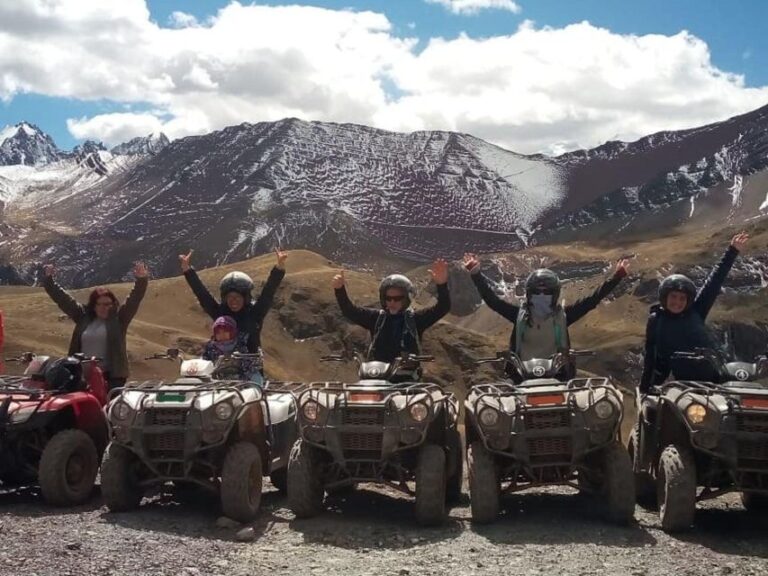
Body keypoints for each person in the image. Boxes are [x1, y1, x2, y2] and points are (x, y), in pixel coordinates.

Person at [463, 254, 630, 363]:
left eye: (547, 292)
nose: (541, 296)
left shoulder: (564, 316)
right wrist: (476, 274)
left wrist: (617, 277)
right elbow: (493, 301)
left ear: (555, 294)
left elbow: (593, 299)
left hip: (558, 375)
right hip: (522, 377)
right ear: (529, 294)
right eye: (537, 292)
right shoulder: (518, 315)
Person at [639, 232, 750, 392]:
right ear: (664, 297)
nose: (677, 302)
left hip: (718, 377)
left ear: (688, 300)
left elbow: (714, 282)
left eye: (682, 298)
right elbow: (652, 356)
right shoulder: (657, 320)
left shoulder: (696, 311)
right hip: (686, 385)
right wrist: (646, 389)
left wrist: (732, 251)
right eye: (673, 297)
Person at [180, 248, 286, 380]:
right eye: (230, 297)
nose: (233, 301)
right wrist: (187, 270)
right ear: (225, 298)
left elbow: (268, 292)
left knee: (253, 394)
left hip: (250, 371)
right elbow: (202, 294)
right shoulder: (220, 313)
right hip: (219, 372)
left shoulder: (255, 314)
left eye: (238, 297)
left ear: (245, 298)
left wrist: (279, 268)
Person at [41, 262, 149, 390]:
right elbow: (63, 299)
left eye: (109, 304)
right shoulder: (82, 316)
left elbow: (134, 299)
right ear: (93, 305)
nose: (105, 308)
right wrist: (48, 281)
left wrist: (141, 280)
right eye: (101, 304)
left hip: (111, 379)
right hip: (79, 378)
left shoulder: (119, 319)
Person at [332, 259, 451, 364]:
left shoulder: (415, 319)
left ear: (406, 299)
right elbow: (350, 311)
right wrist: (339, 290)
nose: (392, 302)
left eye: (397, 298)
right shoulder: (376, 318)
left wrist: (442, 285)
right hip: (377, 374)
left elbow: (442, 308)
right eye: (388, 298)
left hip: (406, 380)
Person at [202, 315, 260, 383]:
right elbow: (204, 362)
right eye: (218, 332)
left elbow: (248, 365)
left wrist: (239, 361)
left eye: (225, 331)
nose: (222, 335)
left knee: (256, 378)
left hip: (239, 382)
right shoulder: (210, 347)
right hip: (215, 382)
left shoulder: (240, 345)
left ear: (232, 332)